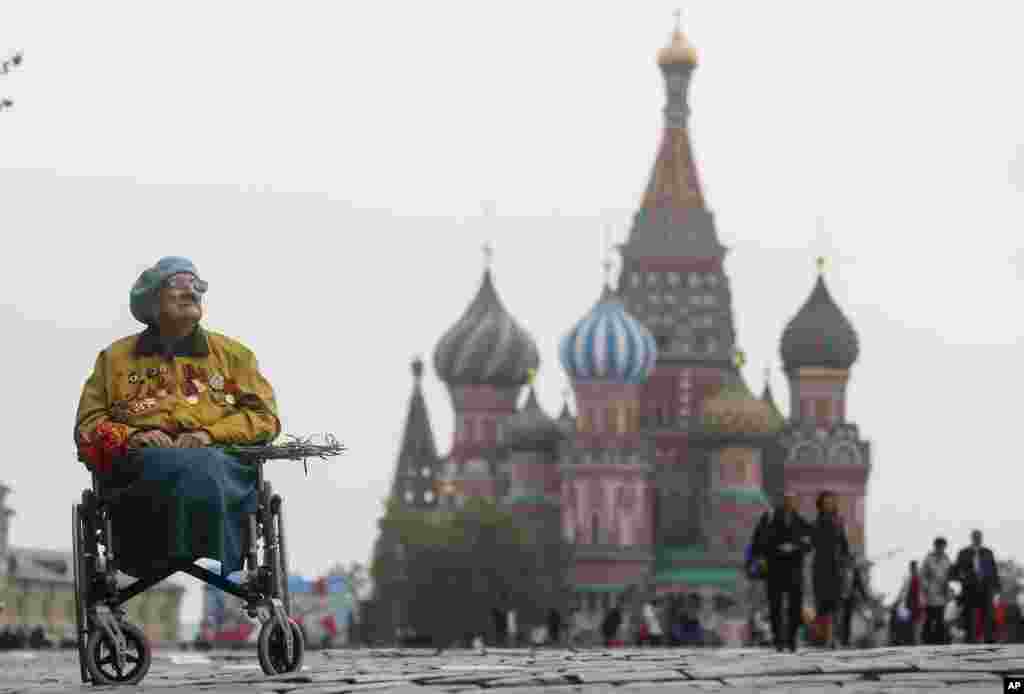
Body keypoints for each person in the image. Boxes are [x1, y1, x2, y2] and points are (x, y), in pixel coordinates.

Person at [74, 257, 281, 581]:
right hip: (137, 467)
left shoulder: (235, 357)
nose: (191, 291)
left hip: (220, 464)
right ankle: (144, 552)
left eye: (197, 285)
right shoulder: (114, 359)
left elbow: (264, 418)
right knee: (159, 462)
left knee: (205, 464)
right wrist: (130, 436)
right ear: (152, 299)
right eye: (178, 283)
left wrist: (210, 434)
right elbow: (89, 425)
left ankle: (211, 545)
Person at [751, 493, 812, 652]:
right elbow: (757, 541)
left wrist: (796, 547)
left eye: (792, 500)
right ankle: (778, 640)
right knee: (775, 607)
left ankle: (791, 640)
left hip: (794, 570)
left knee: (795, 607)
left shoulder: (801, 521)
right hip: (774, 568)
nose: (789, 503)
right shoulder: (769, 518)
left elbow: (810, 543)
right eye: (786, 500)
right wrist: (769, 552)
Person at [952, 529, 999, 644]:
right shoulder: (963, 552)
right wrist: (962, 579)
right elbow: (956, 569)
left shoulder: (988, 552)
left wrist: (996, 586)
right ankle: (970, 640)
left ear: (981, 538)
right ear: (972, 538)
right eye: (975, 536)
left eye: (979, 536)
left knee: (987, 614)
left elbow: (993, 570)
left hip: (985, 587)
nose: (977, 538)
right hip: (969, 588)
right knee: (969, 615)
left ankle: (989, 639)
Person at [920, 537, 953, 644]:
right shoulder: (928, 558)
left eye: (943, 546)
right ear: (935, 546)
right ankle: (927, 640)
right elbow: (923, 575)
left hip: (942, 593)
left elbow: (950, 575)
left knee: (940, 618)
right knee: (930, 617)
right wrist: (926, 587)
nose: (941, 548)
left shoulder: (947, 559)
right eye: (939, 546)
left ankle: (940, 641)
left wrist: (948, 589)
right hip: (930, 592)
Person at [838, 560, 870, 648]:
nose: (851, 563)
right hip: (839, 597)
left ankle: (845, 640)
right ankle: (838, 639)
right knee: (840, 618)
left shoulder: (855, 571)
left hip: (849, 598)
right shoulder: (840, 568)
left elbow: (859, 584)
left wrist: (865, 597)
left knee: (847, 618)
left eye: (852, 562)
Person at [894, 561, 925, 645]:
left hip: (917, 606)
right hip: (909, 606)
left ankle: (916, 644)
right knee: (909, 628)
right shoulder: (908, 579)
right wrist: (898, 602)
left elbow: (922, 592)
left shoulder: (920, 579)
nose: (914, 569)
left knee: (917, 629)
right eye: (912, 567)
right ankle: (912, 643)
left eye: (915, 567)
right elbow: (903, 592)